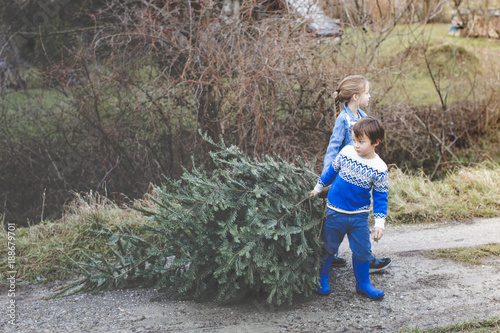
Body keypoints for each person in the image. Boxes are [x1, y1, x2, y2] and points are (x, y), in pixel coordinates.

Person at [310, 117, 388, 298]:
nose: (356, 145)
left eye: (361, 141)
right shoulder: (346, 153)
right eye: (354, 140)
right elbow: (331, 171)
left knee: (362, 251)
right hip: (335, 212)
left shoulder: (379, 168)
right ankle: (322, 279)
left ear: (376, 142)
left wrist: (379, 223)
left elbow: (380, 197)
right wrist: (318, 188)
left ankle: (363, 283)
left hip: (358, 217)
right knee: (328, 247)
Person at [321, 75, 391, 273]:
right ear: (355, 96)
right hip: (344, 176)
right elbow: (333, 148)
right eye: (367, 93)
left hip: (361, 177)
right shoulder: (343, 120)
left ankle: (364, 257)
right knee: (337, 217)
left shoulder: (363, 116)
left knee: (359, 216)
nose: (369, 96)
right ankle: (331, 255)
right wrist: (327, 176)